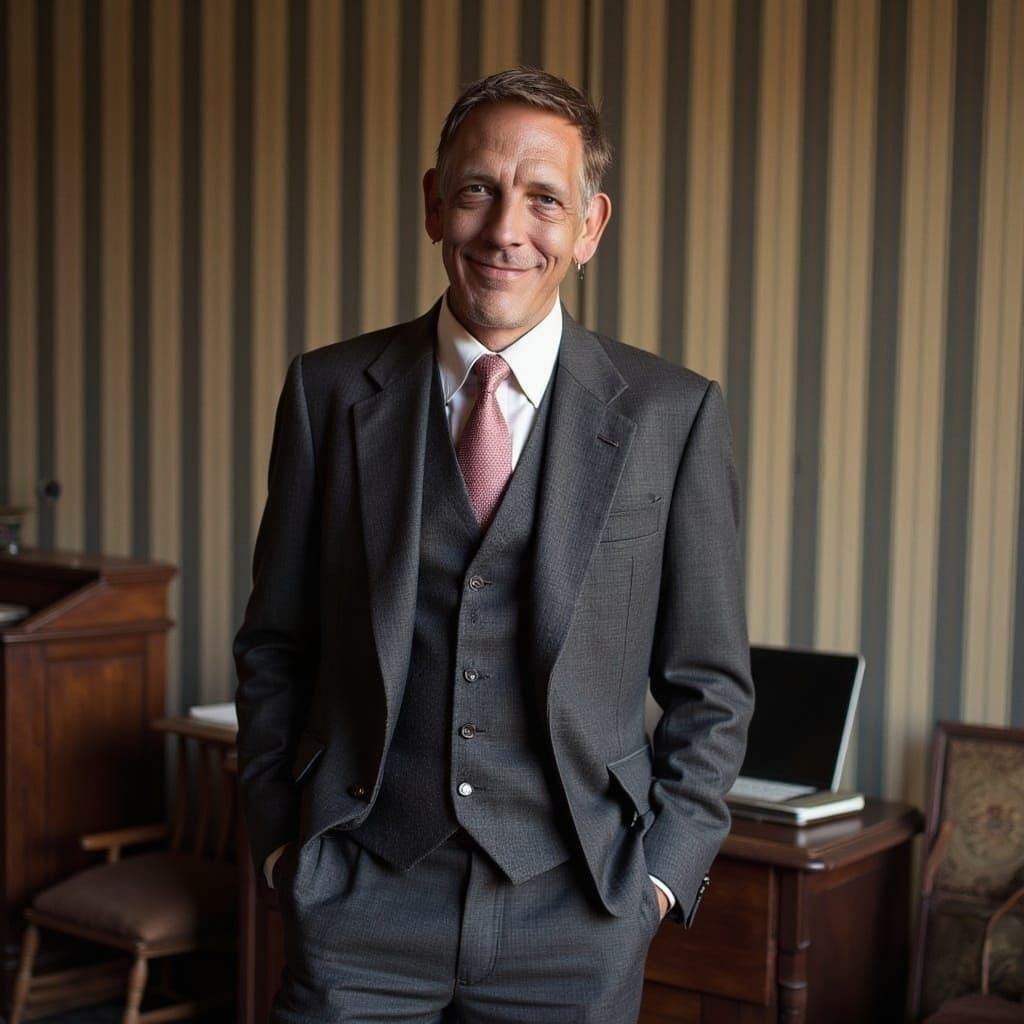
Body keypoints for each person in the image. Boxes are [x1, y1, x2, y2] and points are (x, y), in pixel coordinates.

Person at [234, 66, 752, 1024]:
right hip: (359, 900)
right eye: (478, 188)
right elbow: (275, 641)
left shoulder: (673, 415)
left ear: (590, 227)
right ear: (435, 205)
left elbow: (710, 685)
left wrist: (661, 882)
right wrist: (280, 841)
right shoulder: (328, 392)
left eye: (544, 199)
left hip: (579, 910)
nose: (506, 228)